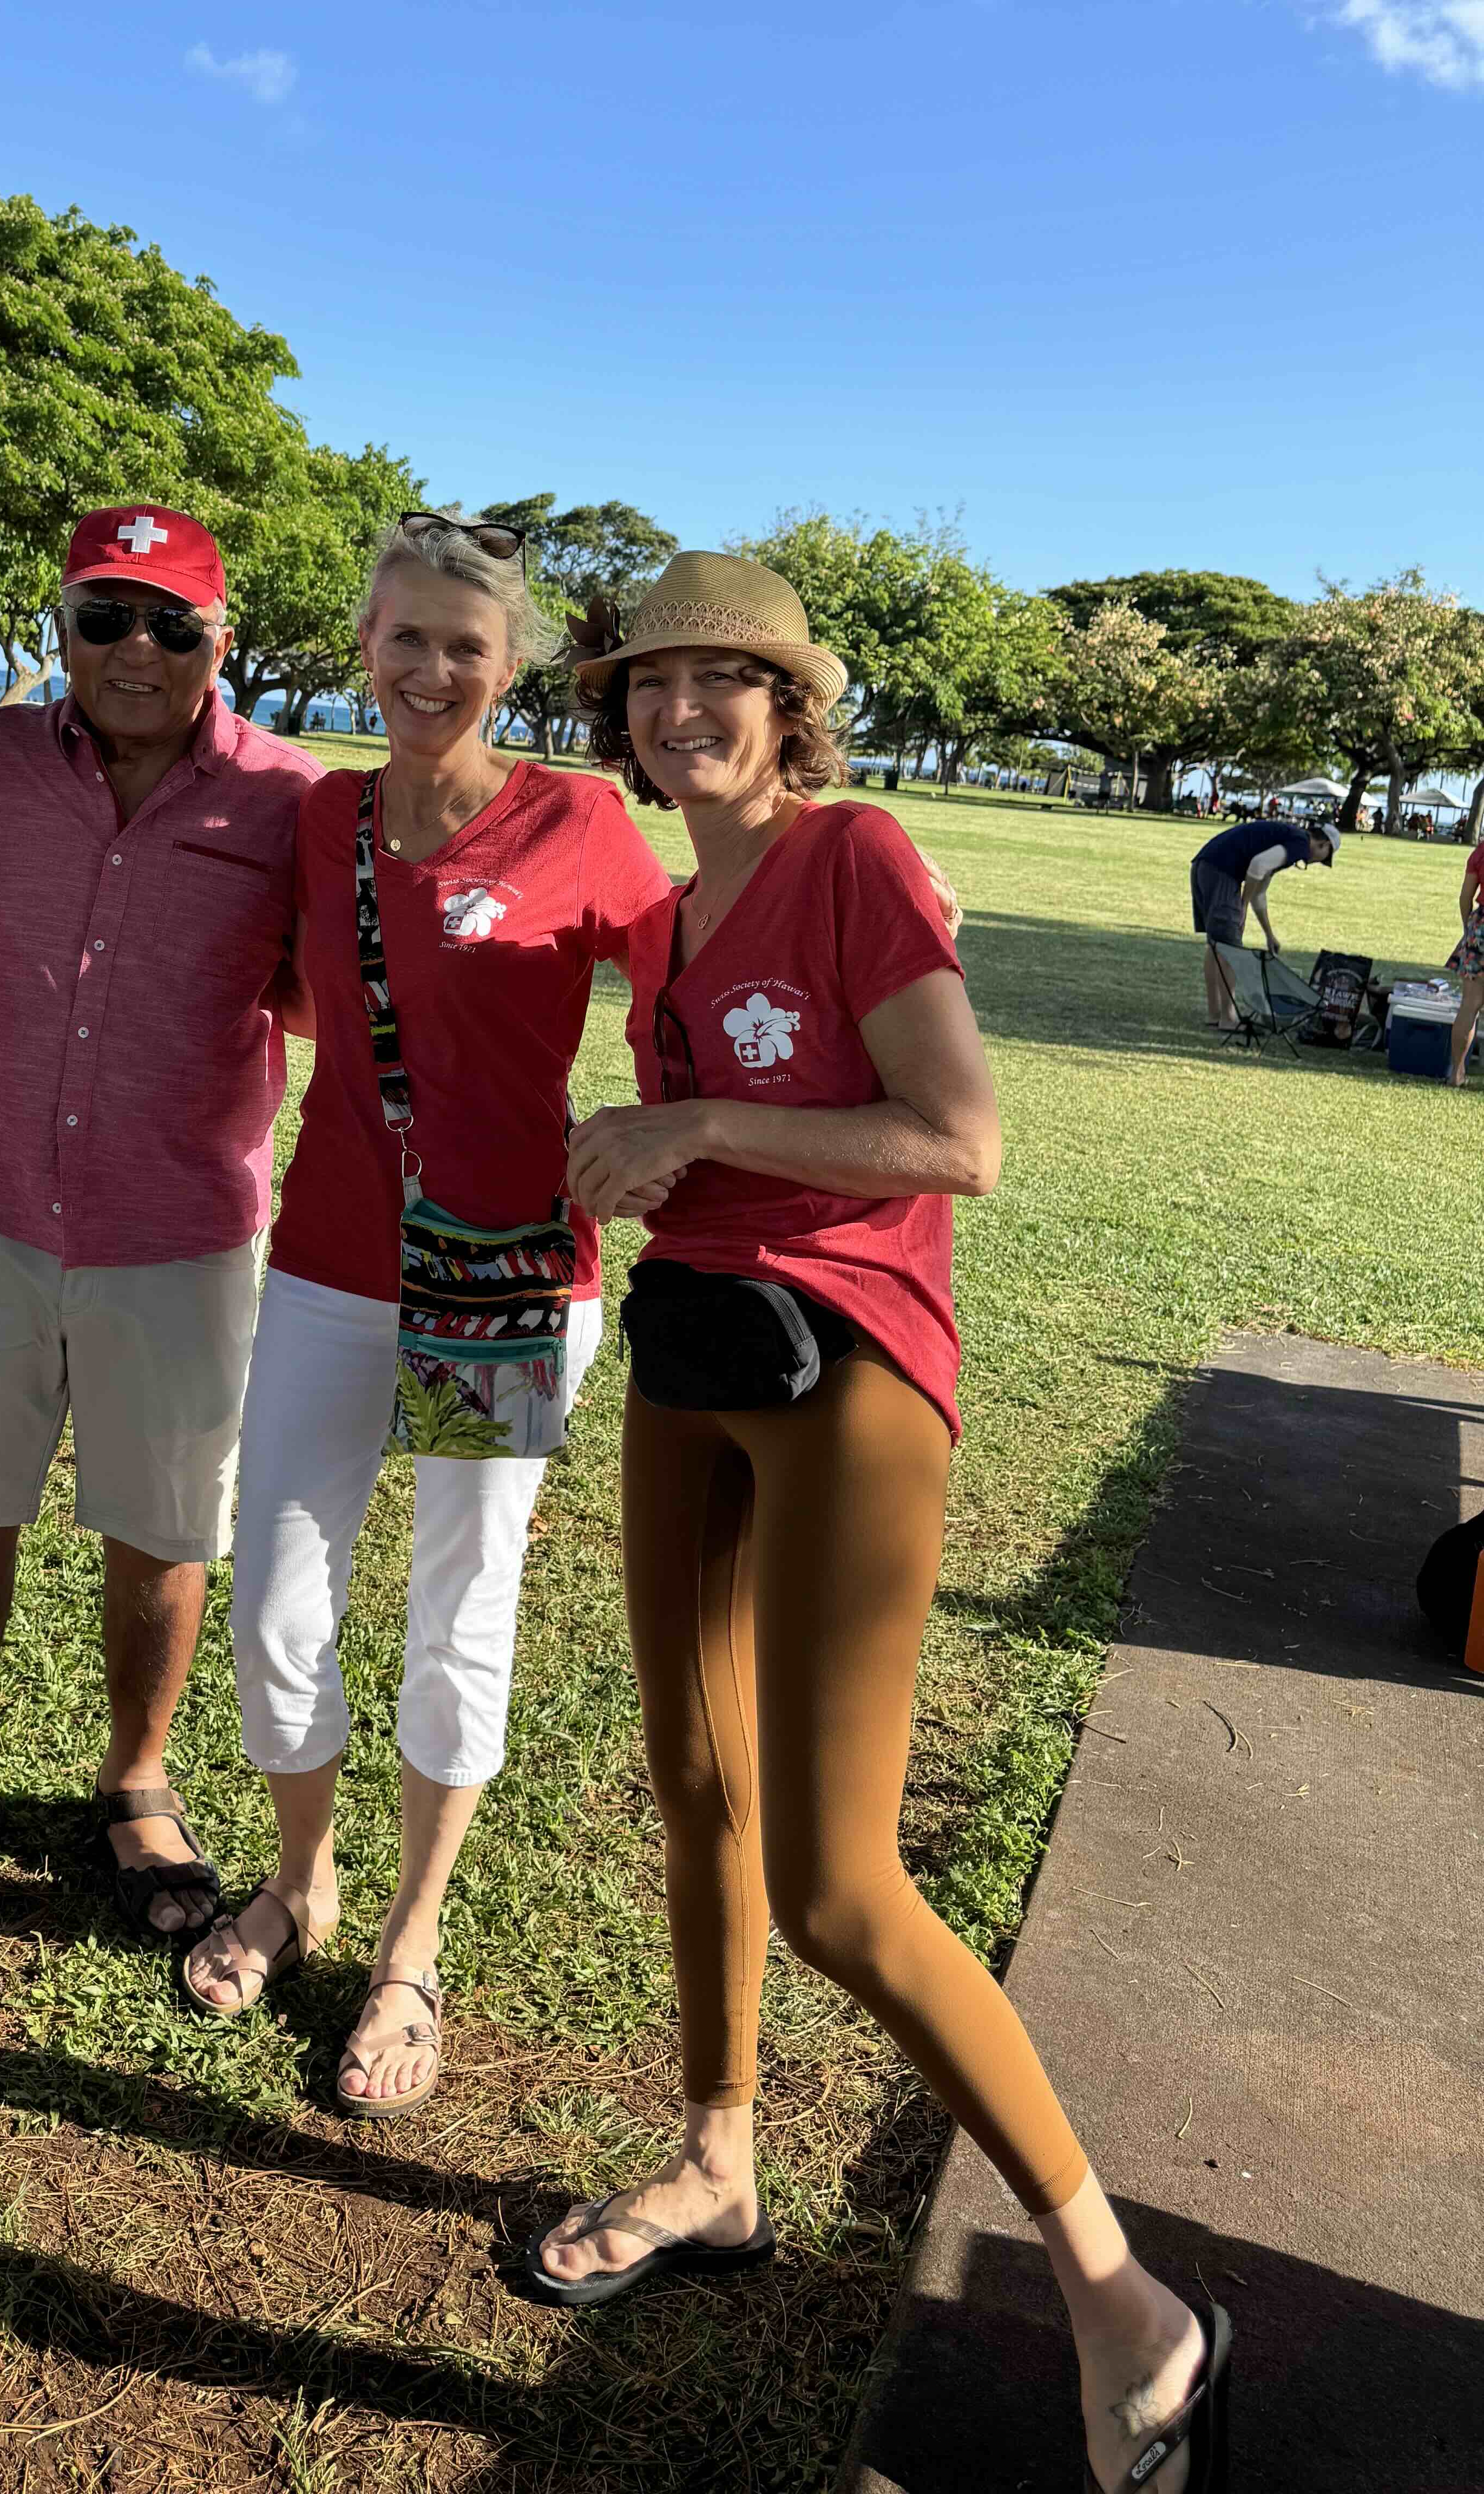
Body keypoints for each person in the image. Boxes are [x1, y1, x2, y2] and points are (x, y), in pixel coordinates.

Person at [523, 554, 1230, 2494]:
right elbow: (684, 1152)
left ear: (783, 700)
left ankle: (1122, 2302)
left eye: (719, 681)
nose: (681, 712)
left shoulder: (856, 857)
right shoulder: (664, 928)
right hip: (689, 1356)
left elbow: (957, 1138)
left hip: (848, 1369)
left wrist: (691, 1131)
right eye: (651, 683)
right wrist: (619, 1155)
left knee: (836, 1883)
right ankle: (716, 2158)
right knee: (690, 1777)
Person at [179, 513, 672, 2117]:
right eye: (406, 637)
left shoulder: (578, 818)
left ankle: (409, 1943)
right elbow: (293, 986)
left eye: (466, 645)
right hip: (329, 1260)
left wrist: (866, 893)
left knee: (461, 1601)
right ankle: (303, 1877)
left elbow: (694, 957)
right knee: (279, 1595)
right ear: (365, 644)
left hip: (506, 1271)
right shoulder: (326, 820)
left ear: (506, 666)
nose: (432, 667)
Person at [0, 506, 319, 1958]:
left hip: (184, 1227)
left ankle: (135, 1780)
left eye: (172, 623)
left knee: (162, 1531)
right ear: (61, 624)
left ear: (218, 642)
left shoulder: (287, 803)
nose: (135, 650)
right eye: (105, 615)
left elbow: (326, 997)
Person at [1190, 810, 1338, 1029]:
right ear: (1323, 844)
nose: (1319, 862)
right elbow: (1258, 866)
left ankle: (1215, 1013)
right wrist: (1242, 905)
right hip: (1222, 873)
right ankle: (1228, 1018)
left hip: (1204, 867)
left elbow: (1260, 893)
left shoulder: (1286, 839)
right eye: (1325, 857)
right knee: (1229, 948)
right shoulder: (1299, 842)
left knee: (1215, 946)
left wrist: (1269, 934)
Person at [1447, 841, 1484, 1087]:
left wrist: (1468, 927)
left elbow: (1465, 897)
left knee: (1470, 1006)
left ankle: (1457, 1074)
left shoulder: (1481, 851)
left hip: (1481, 926)